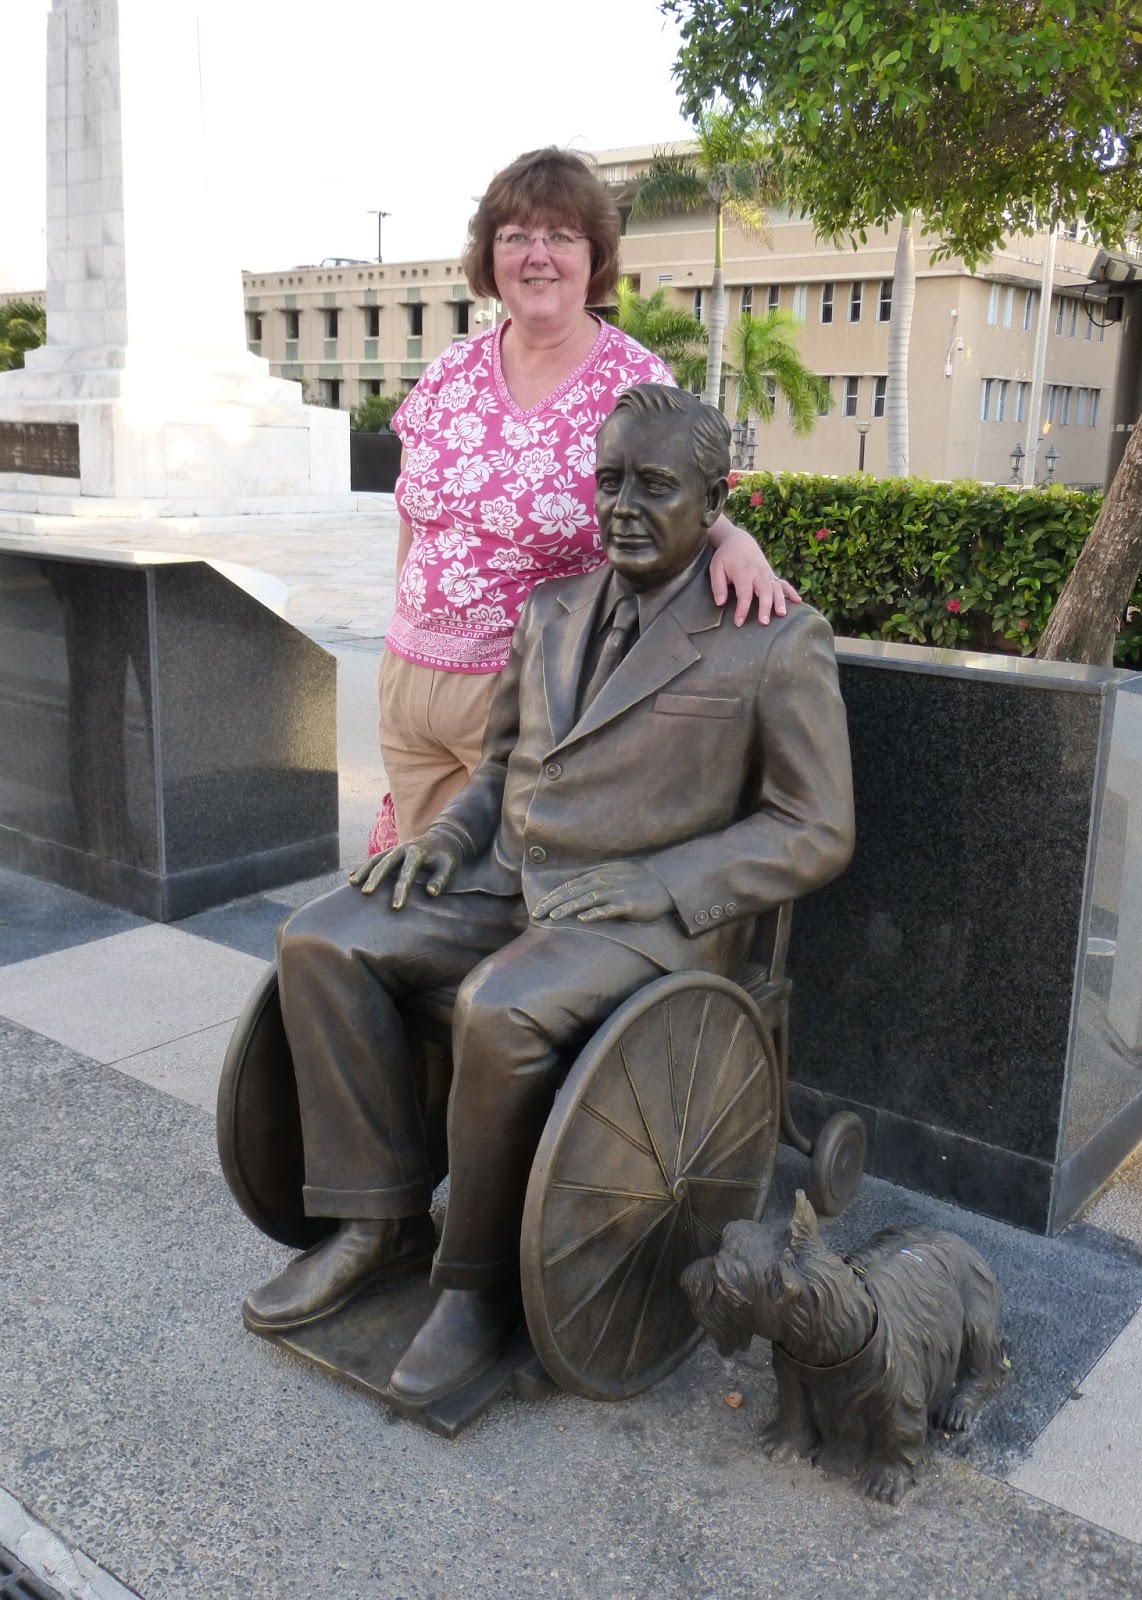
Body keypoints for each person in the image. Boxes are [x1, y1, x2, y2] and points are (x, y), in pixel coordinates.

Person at [242, 385, 855, 1406]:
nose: (622, 504)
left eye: (654, 485)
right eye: (609, 479)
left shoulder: (774, 638)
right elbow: (497, 766)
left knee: (500, 1003)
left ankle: (474, 1291)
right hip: (508, 876)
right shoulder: (552, 609)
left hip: (650, 918)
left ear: (716, 498)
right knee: (319, 938)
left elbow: (817, 826)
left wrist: (663, 878)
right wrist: (446, 833)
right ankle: (377, 1218)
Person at [373, 146, 796, 846]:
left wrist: (736, 540)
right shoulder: (450, 372)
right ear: (490, 255)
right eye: (515, 237)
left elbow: (678, 495)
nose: (537, 255)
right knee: (419, 898)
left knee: (507, 901)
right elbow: (414, 522)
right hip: (409, 684)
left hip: (529, 696)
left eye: (561, 236)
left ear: (594, 256)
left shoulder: (633, 381)